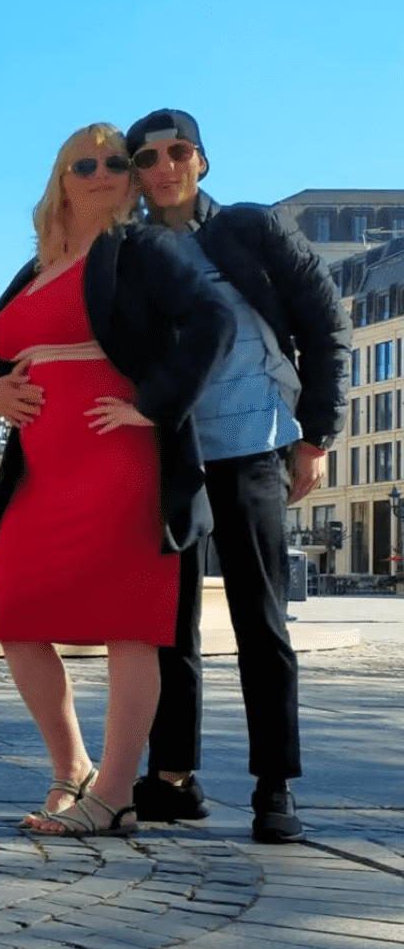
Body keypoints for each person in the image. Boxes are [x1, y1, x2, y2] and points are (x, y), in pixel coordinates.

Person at [0, 125, 236, 835]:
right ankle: (74, 769)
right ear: (61, 179)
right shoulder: (34, 268)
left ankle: (116, 789)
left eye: (115, 163)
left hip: (118, 459)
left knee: (131, 626)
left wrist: (153, 405)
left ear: (129, 181)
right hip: (40, 469)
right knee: (18, 618)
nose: (100, 173)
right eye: (82, 164)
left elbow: (214, 319)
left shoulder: (142, 250)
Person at [125, 109, 351, 843]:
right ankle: (173, 779)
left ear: (202, 161)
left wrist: (316, 437)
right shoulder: (127, 253)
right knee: (169, 624)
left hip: (256, 444)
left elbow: (325, 327)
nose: (164, 167)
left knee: (262, 620)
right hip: (173, 450)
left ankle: (273, 787)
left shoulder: (250, 231)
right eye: (147, 157)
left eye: (178, 151)